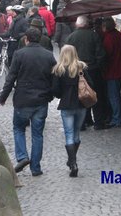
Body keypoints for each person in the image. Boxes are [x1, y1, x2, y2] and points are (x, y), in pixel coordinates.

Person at [0, 28, 56, 177]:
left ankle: (22, 157)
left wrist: (3, 96)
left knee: (19, 129)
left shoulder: (19, 54)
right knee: (37, 134)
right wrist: (51, 95)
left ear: (26, 39)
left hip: (23, 98)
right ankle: (36, 167)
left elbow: (11, 77)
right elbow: (54, 79)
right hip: (41, 99)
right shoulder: (49, 55)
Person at [66, 15, 111, 130]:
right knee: (95, 95)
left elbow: (67, 56)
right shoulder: (93, 35)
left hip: (76, 71)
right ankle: (98, 122)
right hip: (92, 70)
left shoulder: (70, 37)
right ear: (87, 24)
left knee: (81, 96)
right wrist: (97, 66)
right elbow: (101, 54)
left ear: (77, 24)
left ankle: (83, 122)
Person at [52, 45, 90, 177]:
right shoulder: (82, 67)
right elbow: (90, 84)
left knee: (68, 134)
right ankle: (72, 160)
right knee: (76, 133)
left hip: (66, 105)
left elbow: (55, 90)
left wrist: (62, 94)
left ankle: (73, 163)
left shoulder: (59, 69)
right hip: (81, 104)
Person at [102, 17, 121, 127]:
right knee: (117, 95)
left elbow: (107, 54)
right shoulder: (118, 35)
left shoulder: (109, 38)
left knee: (113, 96)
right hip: (119, 69)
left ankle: (117, 118)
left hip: (112, 70)